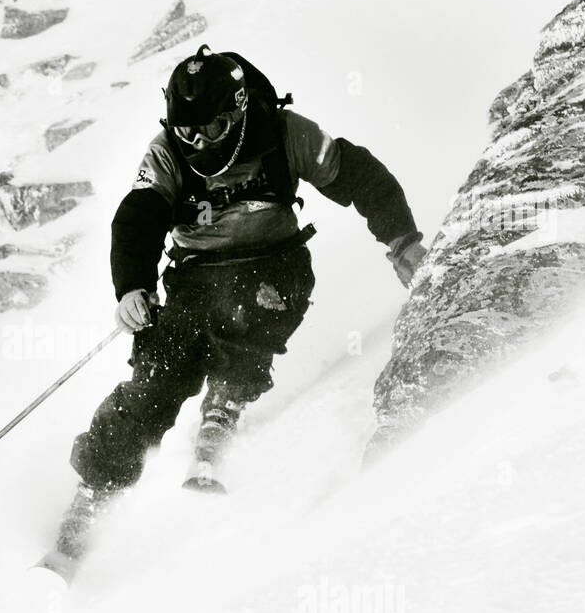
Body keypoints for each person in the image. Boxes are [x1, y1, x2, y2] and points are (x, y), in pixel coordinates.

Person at [40, 45, 427, 581]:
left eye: (213, 130)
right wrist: (131, 287)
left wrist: (401, 241)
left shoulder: (283, 133)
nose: (198, 143)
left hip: (275, 263)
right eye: (186, 131)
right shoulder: (167, 154)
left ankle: (225, 402)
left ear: (240, 112)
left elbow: (358, 174)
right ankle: (91, 496)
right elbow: (139, 218)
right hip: (194, 273)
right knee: (159, 373)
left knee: (247, 313)